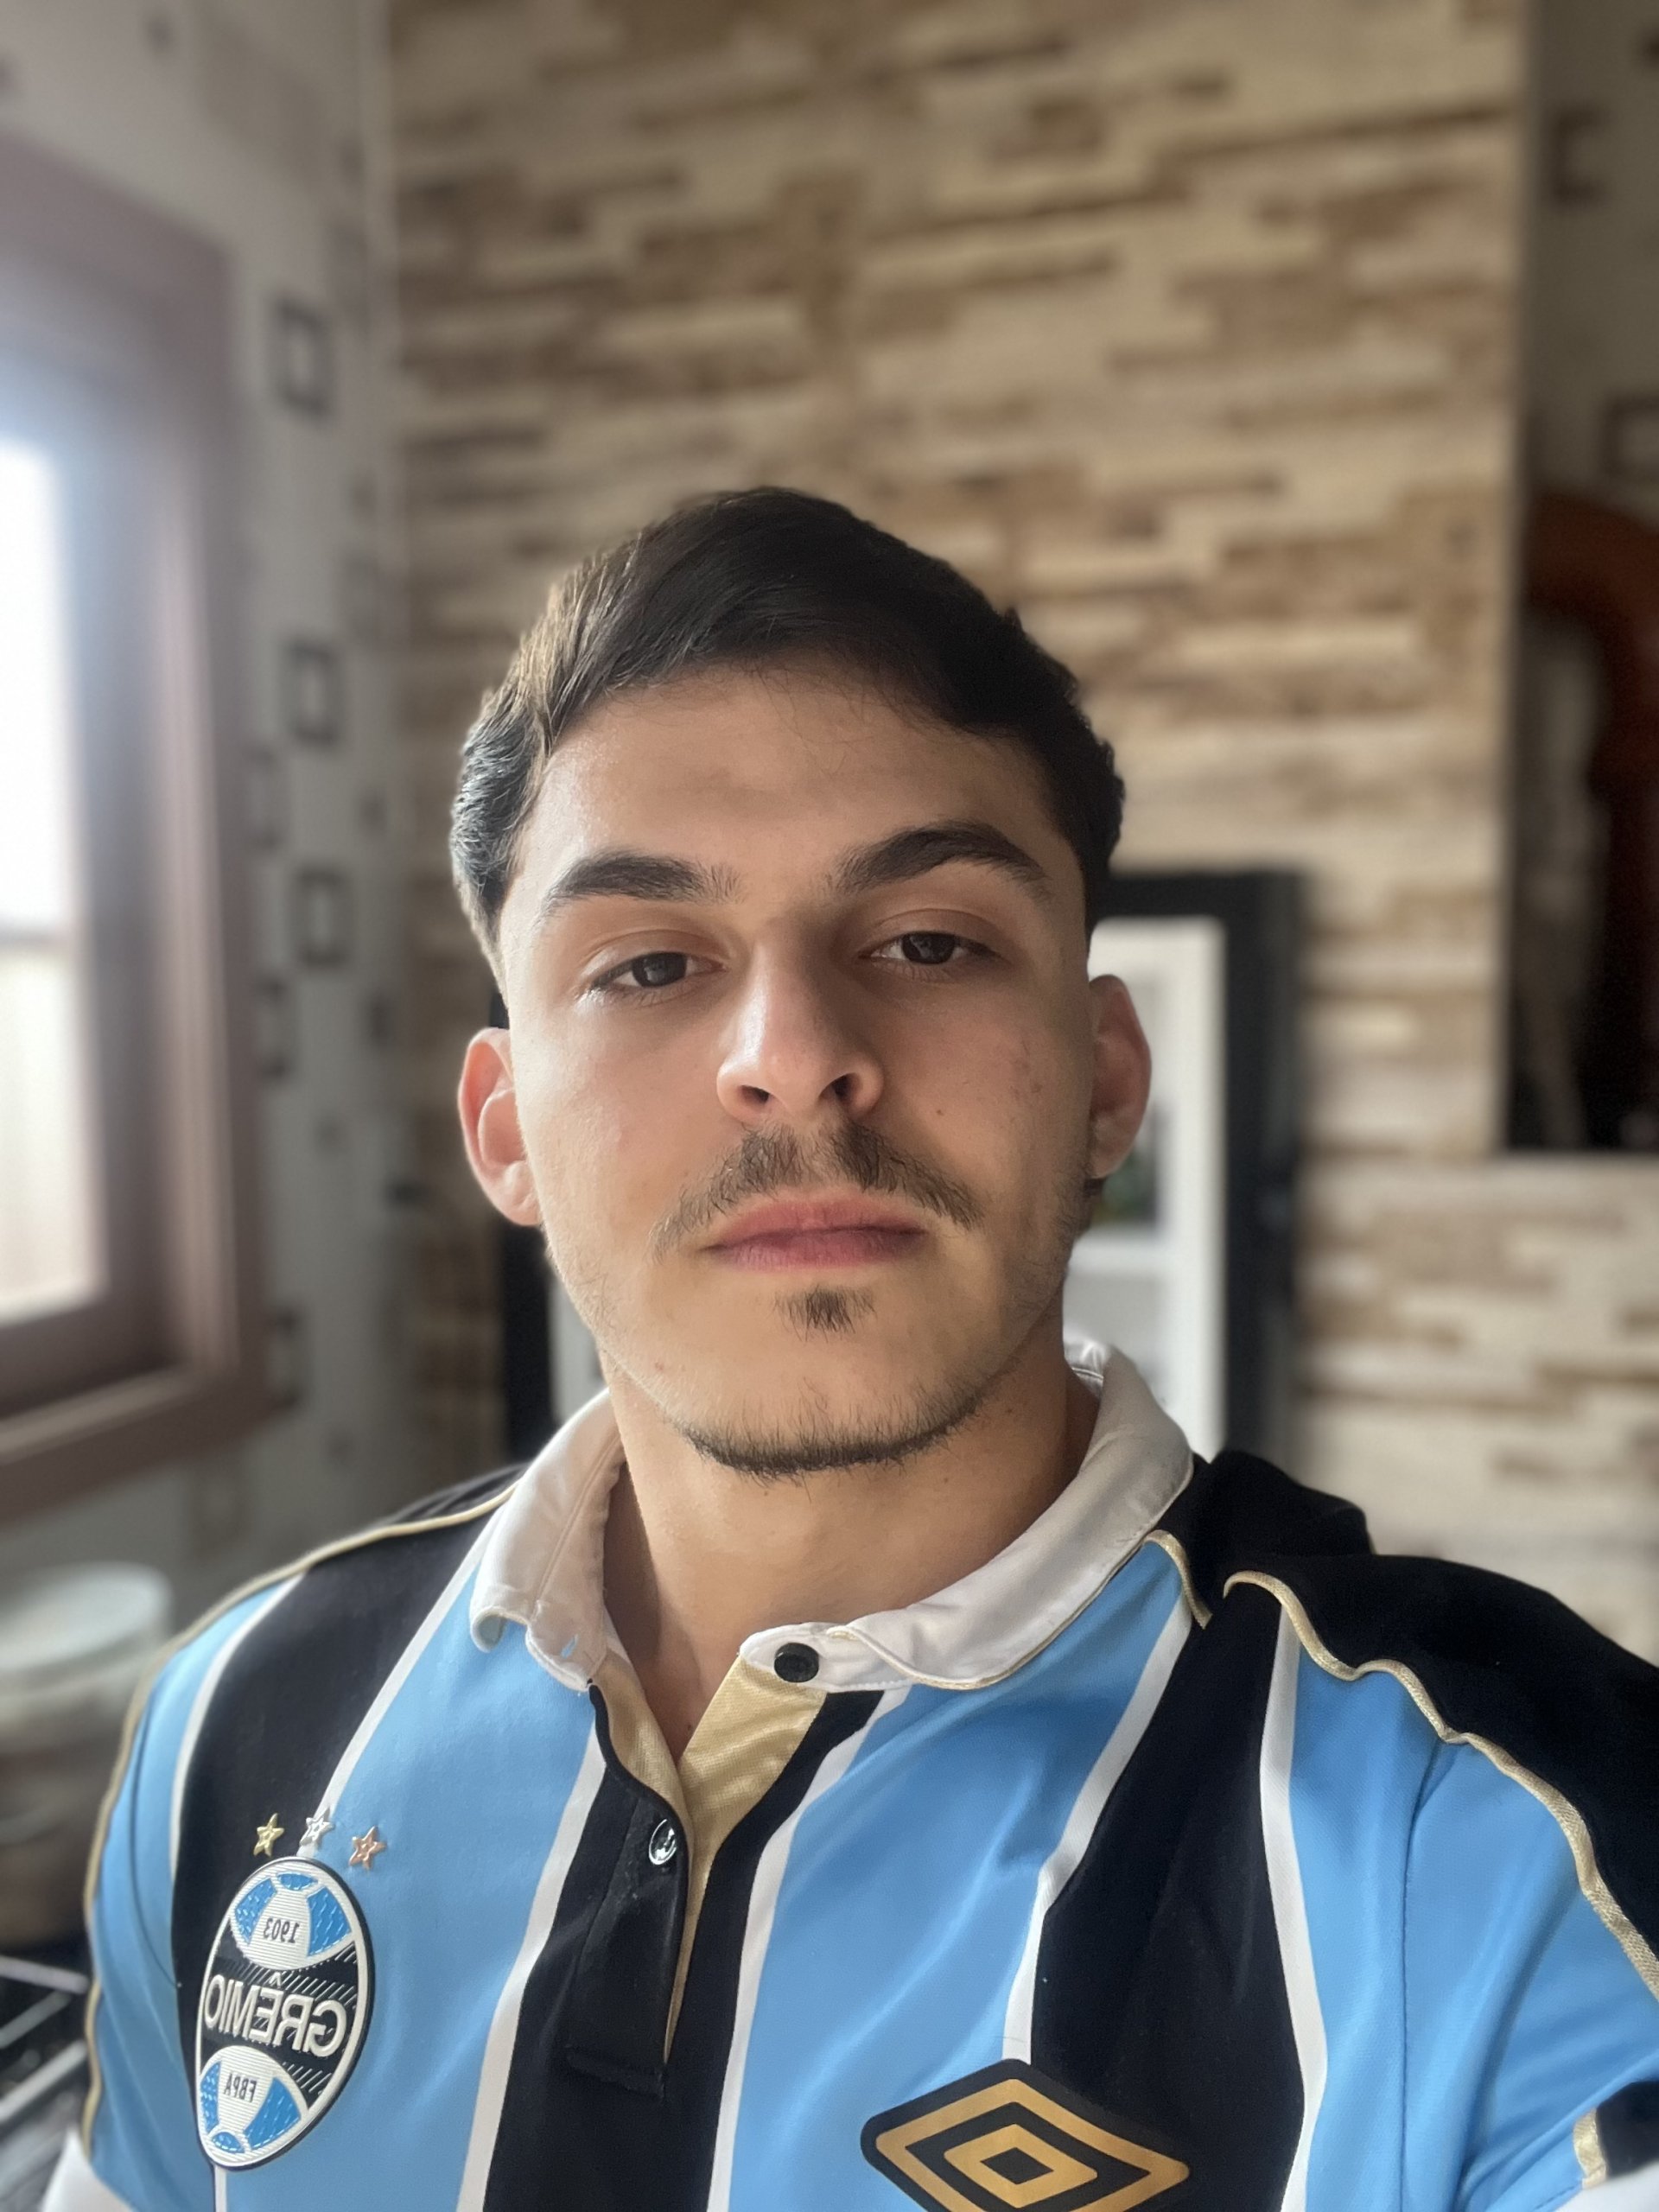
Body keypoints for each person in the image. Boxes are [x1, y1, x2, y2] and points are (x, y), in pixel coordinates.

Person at [49, 489, 1659, 2212]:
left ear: (1107, 1082)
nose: (793, 1052)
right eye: (649, 963)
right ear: (506, 1130)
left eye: (929, 942)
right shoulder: (231, 1729)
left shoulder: (1509, 1842)